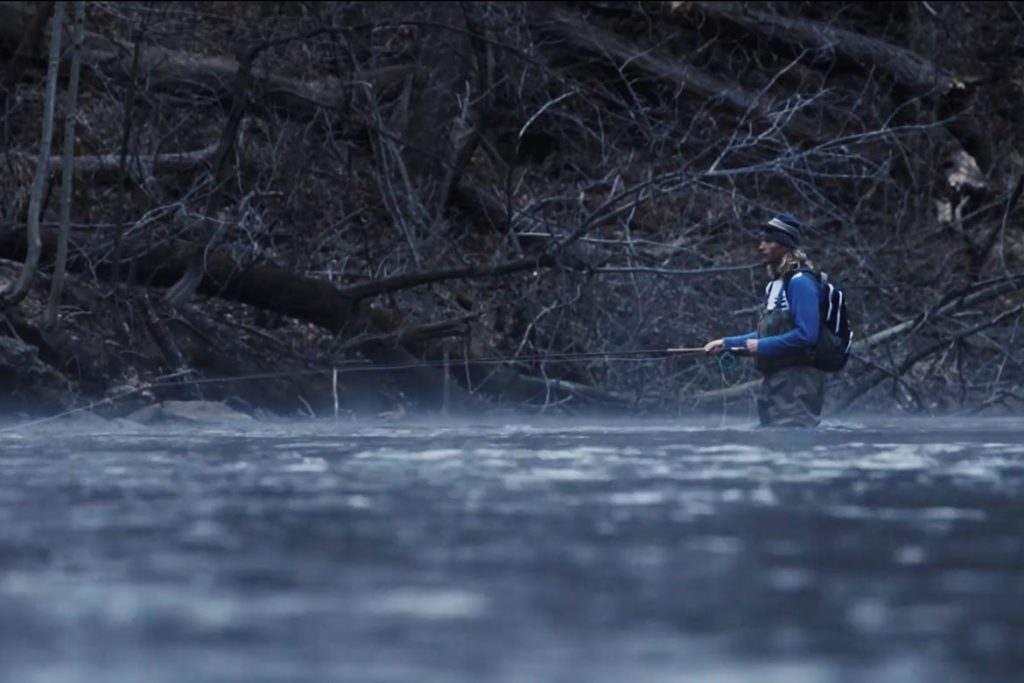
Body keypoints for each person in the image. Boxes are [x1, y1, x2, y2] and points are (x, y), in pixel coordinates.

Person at [704, 213, 825, 427]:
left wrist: (761, 345)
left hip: (798, 386)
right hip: (775, 383)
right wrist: (728, 344)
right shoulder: (775, 285)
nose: (761, 246)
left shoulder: (801, 283)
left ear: (785, 245)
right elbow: (770, 334)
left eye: (769, 241)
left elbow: (808, 335)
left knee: (790, 442)